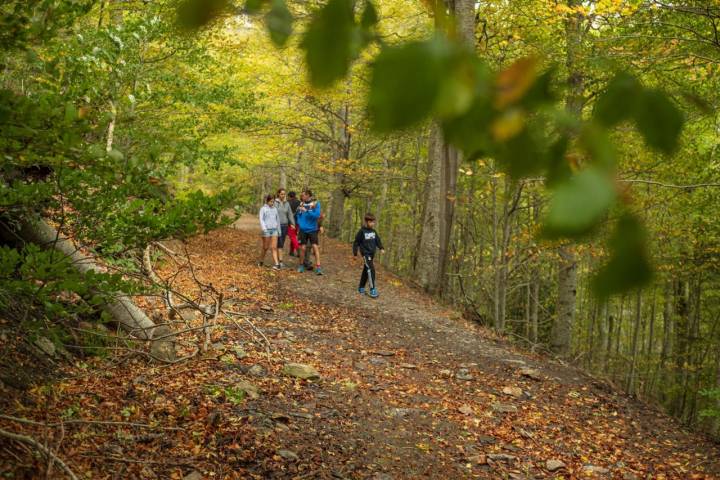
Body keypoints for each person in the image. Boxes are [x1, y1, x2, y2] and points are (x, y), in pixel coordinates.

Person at [353, 213, 384, 298]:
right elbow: (356, 242)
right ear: (366, 222)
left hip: (371, 254)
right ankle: (372, 289)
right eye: (371, 222)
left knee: (366, 270)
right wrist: (355, 253)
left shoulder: (374, 232)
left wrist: (381, 248)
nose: (373, 224)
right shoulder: (362, 231)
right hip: (365, 254)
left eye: (373, 222)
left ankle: (361, 287)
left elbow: (378, 240)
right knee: (371, 269)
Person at [296, 189, 323, 275]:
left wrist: (307, 211)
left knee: (315, 247)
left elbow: (317, 215)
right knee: (302, 248)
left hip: (312, 229)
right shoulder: (301, 204)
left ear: (308, 195)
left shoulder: (316, 204)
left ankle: (318, 267)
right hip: (303, 230)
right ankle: (301, 266)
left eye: (303, 195)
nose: (302, 196)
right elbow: (298, 215)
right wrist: (300, 223)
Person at [258, 194, 281, 270]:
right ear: (267, 201)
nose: (272, 203)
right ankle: (261, 261)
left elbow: (277, 220)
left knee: (274, 247)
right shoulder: (263, 209)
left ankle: (277, 264)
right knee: (265, 247)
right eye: (271, 201)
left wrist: (278, 230)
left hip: (274, 230)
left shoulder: (275, 209)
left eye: (273, 201)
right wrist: (264, 229)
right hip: (266, 230)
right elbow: (261, 219)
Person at [274, 188, 295, 267]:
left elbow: (290, 214)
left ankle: (279, 261)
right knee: (278, 244)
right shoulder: (275, 202)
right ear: (278, 194)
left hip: (285, 226)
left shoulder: (287, 203)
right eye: (282, 194)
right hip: (276, 226)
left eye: (284, 194)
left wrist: (292, 224)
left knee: (281, 243)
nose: (283, 195)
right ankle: (280, 261)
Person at [287, 191, 301, 257]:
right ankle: (291, 251)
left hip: (291, 223)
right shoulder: (299, 202)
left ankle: (299, 251)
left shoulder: (288, 203)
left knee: (292, 237)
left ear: (290, 196)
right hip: (297, 223)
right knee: (294, 237)